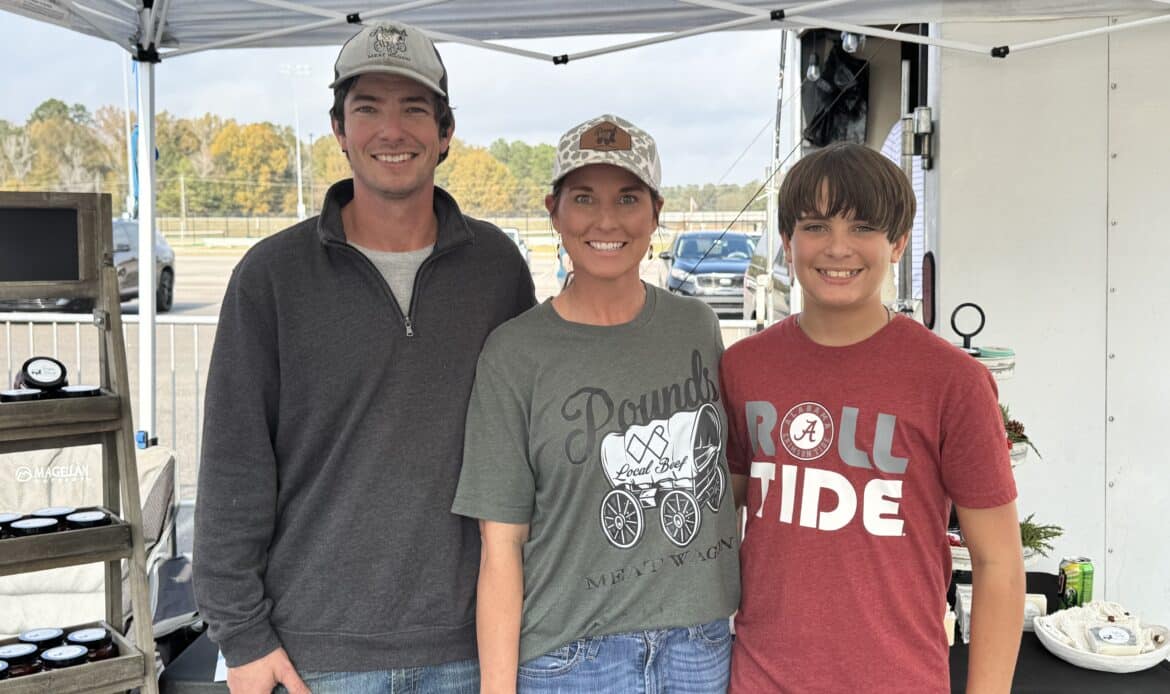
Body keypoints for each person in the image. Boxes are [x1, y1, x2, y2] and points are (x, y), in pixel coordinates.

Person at [193, 20, 535, 694]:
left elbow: (529, 448)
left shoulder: (497, 270)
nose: (391, 130)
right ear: (339, 129)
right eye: (368, 108)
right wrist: (242, 636)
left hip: (471, 649)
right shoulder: (271, 277)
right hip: (314, 655)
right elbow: (234, 464)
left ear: (445, 132)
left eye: (414, 109)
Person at [720, 142, 1024, 693]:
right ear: (787, 241)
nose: (838, 248)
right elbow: (719, 517)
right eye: (815, 226)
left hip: (900, 679)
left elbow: (999, 563)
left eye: (862, 227)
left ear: (899, 243)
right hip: (760, 678)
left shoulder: (952, 381)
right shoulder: (744, 366)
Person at [452, 114, 740, 693]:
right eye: (584, 198)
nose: (606, 220)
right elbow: (501, 546)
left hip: (699, 646)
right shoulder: (514, 354)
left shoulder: (696, 327)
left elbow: (730, 477)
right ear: (554, 211)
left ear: (655, 213)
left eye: (628, 198)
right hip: (571, 660)